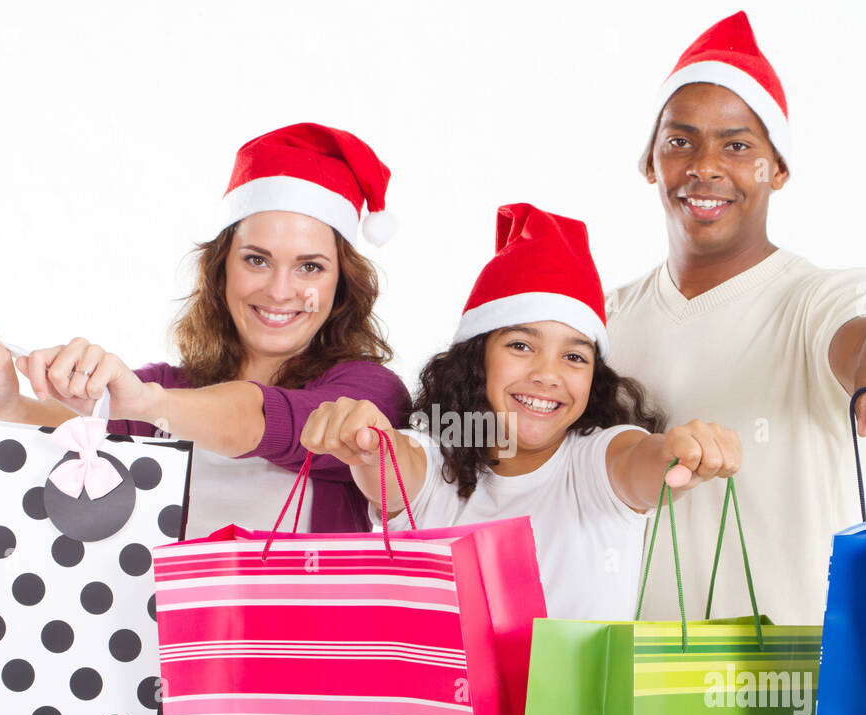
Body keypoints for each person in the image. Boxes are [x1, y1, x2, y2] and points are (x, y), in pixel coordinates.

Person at [0, 123, 411, 715]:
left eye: (309, 266)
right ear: (222, 270)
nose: (280, 290)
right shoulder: (164, 389)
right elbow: (83, 438)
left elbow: (264, 419)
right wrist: (5, 402)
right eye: (256, 259)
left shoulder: (362, 393)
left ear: (342, 282)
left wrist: (142, 403)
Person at [607, 11, 866, 624]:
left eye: (738, 145)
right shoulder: (603, 318)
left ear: (777, 170)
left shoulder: (814, 300)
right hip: (638, 688)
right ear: (650, 163)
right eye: (680, 141)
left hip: (791, 693)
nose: (705, 165)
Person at [300, 203, 740, 621]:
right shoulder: (436, 458)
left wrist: (680, 452)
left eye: (574, 357)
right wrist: (368, 442)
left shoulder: (596, 462)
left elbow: (641, 463)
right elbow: (395, 466)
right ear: (478, 358)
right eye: (521, 346)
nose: (547, 376)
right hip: (444, 703)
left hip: (577, 704)